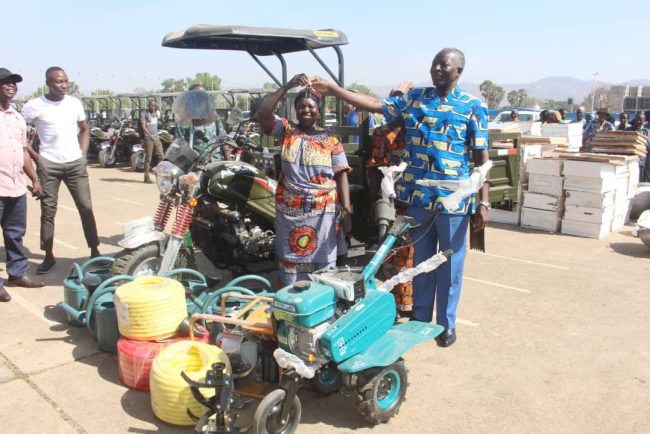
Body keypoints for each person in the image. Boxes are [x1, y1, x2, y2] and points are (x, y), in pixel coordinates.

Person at [309, 47, 490, 348]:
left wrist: (483, 202)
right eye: (434, 64)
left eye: (444, 65)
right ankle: (420, 318)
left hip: (454, 202)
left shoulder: (473, 106)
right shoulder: (415, 99)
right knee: (421, 262)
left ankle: (446, 324)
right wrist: (334, 89)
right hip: (419, 199)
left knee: (450, 265)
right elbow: (374, 104)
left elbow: (482, 159)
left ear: (459, 71)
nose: (436, 69)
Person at [256, 74, 352, 286]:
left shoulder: (331, 137)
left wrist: (347, 209)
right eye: (301, 106)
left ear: (319, 111)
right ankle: (293, 296)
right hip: (291, 211)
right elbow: (262, 114)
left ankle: (321, 299)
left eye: (311, 106)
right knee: (291, 260)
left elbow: (341, 173)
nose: (306, 110)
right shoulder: (286, 130)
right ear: (296, 110)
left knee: (323, 261)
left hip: (323, 211)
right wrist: (287, 86)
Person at [21, 66, 100, 273]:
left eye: (65, 81)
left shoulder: (74, 103)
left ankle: (95, 250)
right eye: (58, 81)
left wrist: (83, 155)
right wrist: (35, 156)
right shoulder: (34, 106)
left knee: (86, 208)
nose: (63, 85)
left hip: (75, 164)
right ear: (48, 83)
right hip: (49, 165)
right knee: (48, 212)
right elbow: (18, 132)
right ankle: (48, 256)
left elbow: (85, 129)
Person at [0, 68, 45, 302]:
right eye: (5, 82)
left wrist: (34, 179)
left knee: (15, 233)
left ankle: (17, 274)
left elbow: (23, 151)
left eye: (14, 83)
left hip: (16, 186)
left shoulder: (17, 118)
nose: (11, 86)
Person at [140, 99, 164, 183]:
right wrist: (150, 136)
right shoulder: (144, 114)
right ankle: (146, 177)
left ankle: (158, 174)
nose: (152, 107)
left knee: (161, 156)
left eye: (154, 105)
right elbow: (143, 127)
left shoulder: (156, 114)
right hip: (148, 138)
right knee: (148, 158)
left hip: (156, 137)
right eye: (151, 105)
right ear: (148, 106)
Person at [626, 111, 649, 182]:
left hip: (642, 159)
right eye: (637, 119)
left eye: (640, 120)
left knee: (640, 178)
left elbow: (648, 145)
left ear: (644, 121)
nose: (638, 122)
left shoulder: (647, 131)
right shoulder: (629, 130)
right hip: (630, 157)